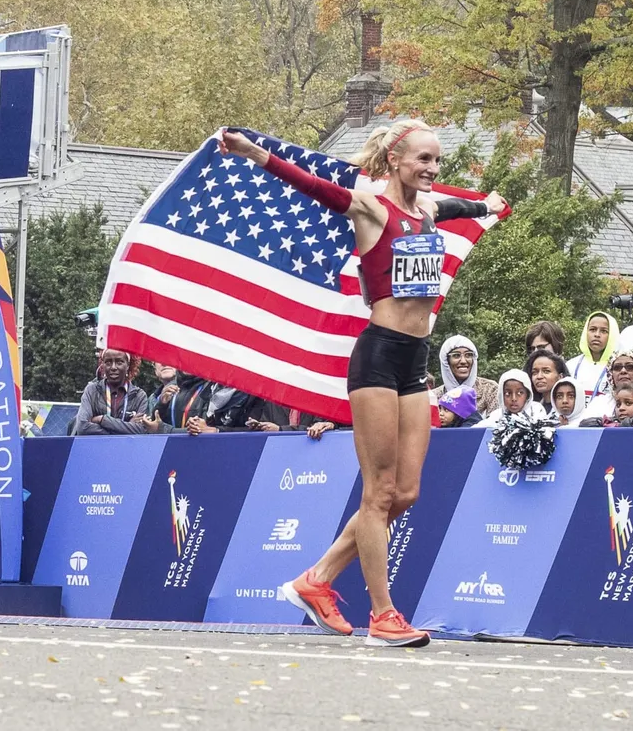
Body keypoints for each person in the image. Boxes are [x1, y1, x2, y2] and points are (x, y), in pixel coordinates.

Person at [219, 121, 507, 648]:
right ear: (395, 160)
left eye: (437, 161)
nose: (432, 169)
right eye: (423, 159)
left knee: (406, 493)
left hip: (414, 361)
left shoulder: (427, 211)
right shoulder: (371, 208)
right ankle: (383, 615)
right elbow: (312, 185)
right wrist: (253, 152)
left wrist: (485, 205)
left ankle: (316, 579)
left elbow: (455, 208)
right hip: (377, 357)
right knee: (379, 494)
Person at [74, 349, 149, 435]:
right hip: (96, 444)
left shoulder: (139, 396)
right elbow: (83, 427)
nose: (113, 367)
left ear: (128, 365)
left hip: (127, 444)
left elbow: (141, 430)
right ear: (103, 365)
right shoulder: (92, 390)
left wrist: (102, 419)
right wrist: (127, 427)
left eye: (119, 362)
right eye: (108, 362)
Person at [565, 311, 619, 403]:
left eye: (604, 331)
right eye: (593, 329)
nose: (597, 335)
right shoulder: (571, 365)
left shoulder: (618, 367)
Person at [438, 335, 499, 416]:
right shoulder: (435, 397)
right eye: (456, 355)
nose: (463, 361)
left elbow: (496, 422)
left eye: (468, 355)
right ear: (446, 361)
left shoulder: (490, 390)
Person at [479, 369, 546, 425]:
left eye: (520, 393)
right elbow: (477, 429)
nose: (514, 398)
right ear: (502, 395)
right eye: (508, 393)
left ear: (528, 395)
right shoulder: (496, 416)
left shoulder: (536, 411)